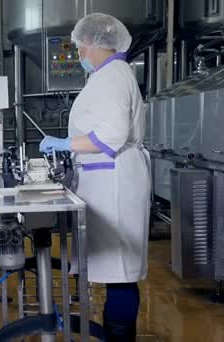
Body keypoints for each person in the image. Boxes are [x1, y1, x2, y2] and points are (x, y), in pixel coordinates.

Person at [39, 13, 151, 341]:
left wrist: (64, 143)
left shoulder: (114, 76)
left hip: (115, 185)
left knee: (120, 273)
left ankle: (119, 338)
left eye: (79, 46)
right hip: (108, 181)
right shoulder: (107, 75)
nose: (78, 53)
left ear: (95, 43)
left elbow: (112, 134)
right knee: (117, 271)